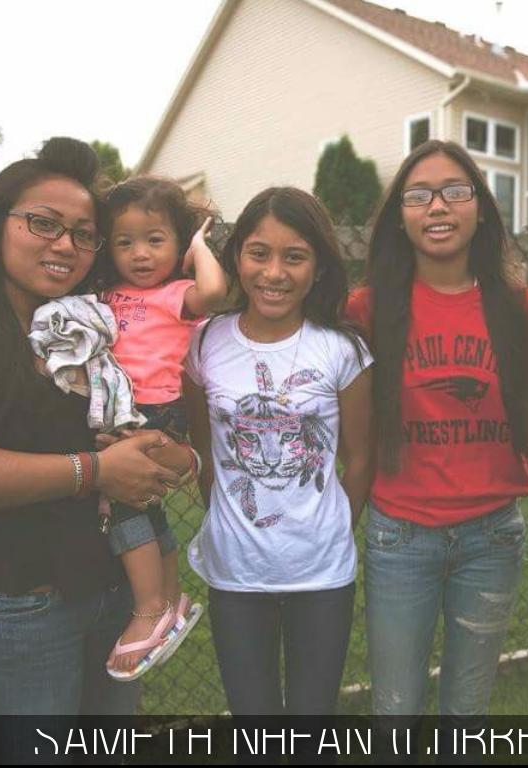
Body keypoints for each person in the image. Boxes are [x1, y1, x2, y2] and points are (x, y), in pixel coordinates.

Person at [0, 138, 184, 759]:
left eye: (84, 234)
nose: (65, 244)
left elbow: (155, 430)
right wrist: (96, 470)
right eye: (43, 223)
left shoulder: (90, 325)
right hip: (16, 605)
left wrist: (170, 457)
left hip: (112, 595)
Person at [346, 140, 528, 722]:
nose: (437, 206)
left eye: (455, 192)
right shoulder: (367, 310)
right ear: (400, 217)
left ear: (480, 208)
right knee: (396, 706)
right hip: (401, 535)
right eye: (418, 196)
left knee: (467, 706)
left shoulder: (520, 308)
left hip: (492, 536)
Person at [183, 187, 373, 716]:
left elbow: (360, 458)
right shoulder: (204, 341)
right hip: (236, 572)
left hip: (322, 573)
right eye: (259, 253)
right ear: (237, 257)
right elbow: (205, 449)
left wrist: (335, 526)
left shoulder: (343, 348)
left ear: (318, 267)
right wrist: (225, 516)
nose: (274, 273)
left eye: (294, 256)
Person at [97, 177, 228, 680]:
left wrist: (199, 248)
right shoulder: (109, 294)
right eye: (125, 242)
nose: (140, 253)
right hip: (120, 409)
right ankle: (170, 598)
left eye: (155, 240)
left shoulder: (176, 294)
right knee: (146, 506)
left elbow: (214, 292)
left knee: (122, 503)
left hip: (154, 412)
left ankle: (149, 608)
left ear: (178, 243)